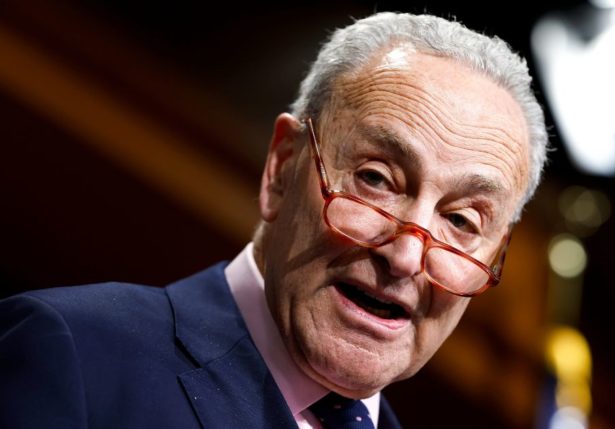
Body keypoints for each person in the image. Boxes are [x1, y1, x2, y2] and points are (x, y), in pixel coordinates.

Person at [0, 11, 548, 429]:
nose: (405, 256)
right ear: (283, 169)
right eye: (377, 179)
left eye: (462, 220)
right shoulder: (73, 353)